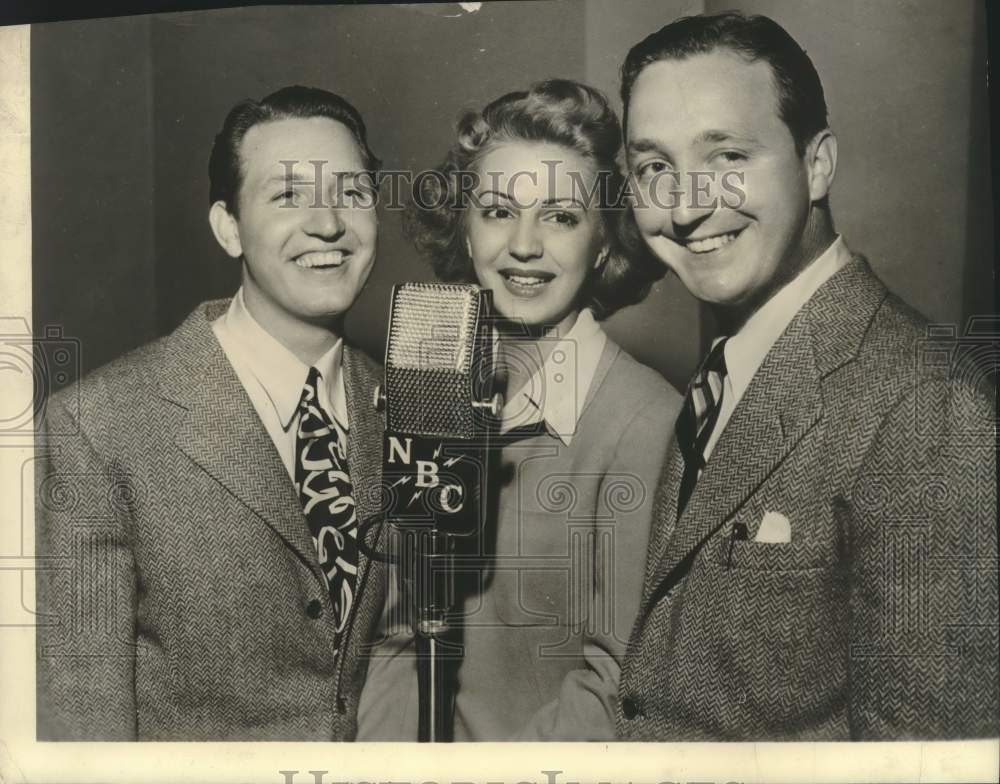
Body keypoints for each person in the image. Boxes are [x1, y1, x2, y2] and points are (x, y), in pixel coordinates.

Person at [615, 12, 998, 740]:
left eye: (727, 156)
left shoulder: (927, 406)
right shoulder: (732, 367)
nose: (688, 207)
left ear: (817, 164)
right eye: (654, 168)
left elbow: (926, 758)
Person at [35, 85, 391, 740]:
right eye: (288, 196)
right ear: (228, 226)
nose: (329, 223)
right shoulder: (100, 424)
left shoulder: (405, 407)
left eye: (352, 191)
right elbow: (82, 721)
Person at [404, 79, 682, 741]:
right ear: (464, 232)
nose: (523, 245)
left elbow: (617, 686)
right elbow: (393, 637)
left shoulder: (647, 423)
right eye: (498, 211)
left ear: (605, 242)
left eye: (561, 217)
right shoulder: (426, 386)